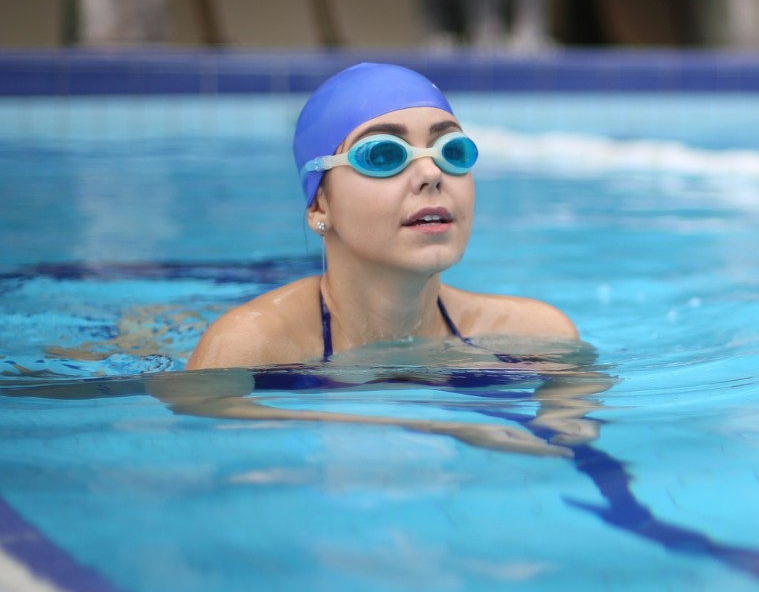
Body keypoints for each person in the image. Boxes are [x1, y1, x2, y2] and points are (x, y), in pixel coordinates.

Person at [186, 62, 578, 370]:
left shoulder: (539, 337)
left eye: (451, 150)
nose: (431, 174)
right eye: (383, 155)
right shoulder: (249, 347)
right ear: (320, 205)